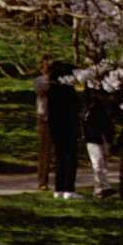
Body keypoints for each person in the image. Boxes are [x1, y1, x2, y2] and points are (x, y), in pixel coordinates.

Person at [47, 62, 81, 199]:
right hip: (69, 126)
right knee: (70, 157)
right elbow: (75, 108)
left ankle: (58, 188)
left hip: (55, 127)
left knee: (60, 157)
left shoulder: (52, 90)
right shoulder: (69, 91)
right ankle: (69, 188)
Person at [84, 91, 115, 197]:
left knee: (101, 165)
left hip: (98, 139)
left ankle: (99, 189)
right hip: (93, 139)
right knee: (98, 164)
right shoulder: (94, 110)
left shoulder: (103, 110)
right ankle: (103, 187)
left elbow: (108, 127)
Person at [34, 57, 53, 192]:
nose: (48, 68)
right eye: (46, 65)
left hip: (57, 119)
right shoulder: (39, 80)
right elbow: (42, 90)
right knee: (44, 152)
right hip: (44, 119)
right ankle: (42, 182)